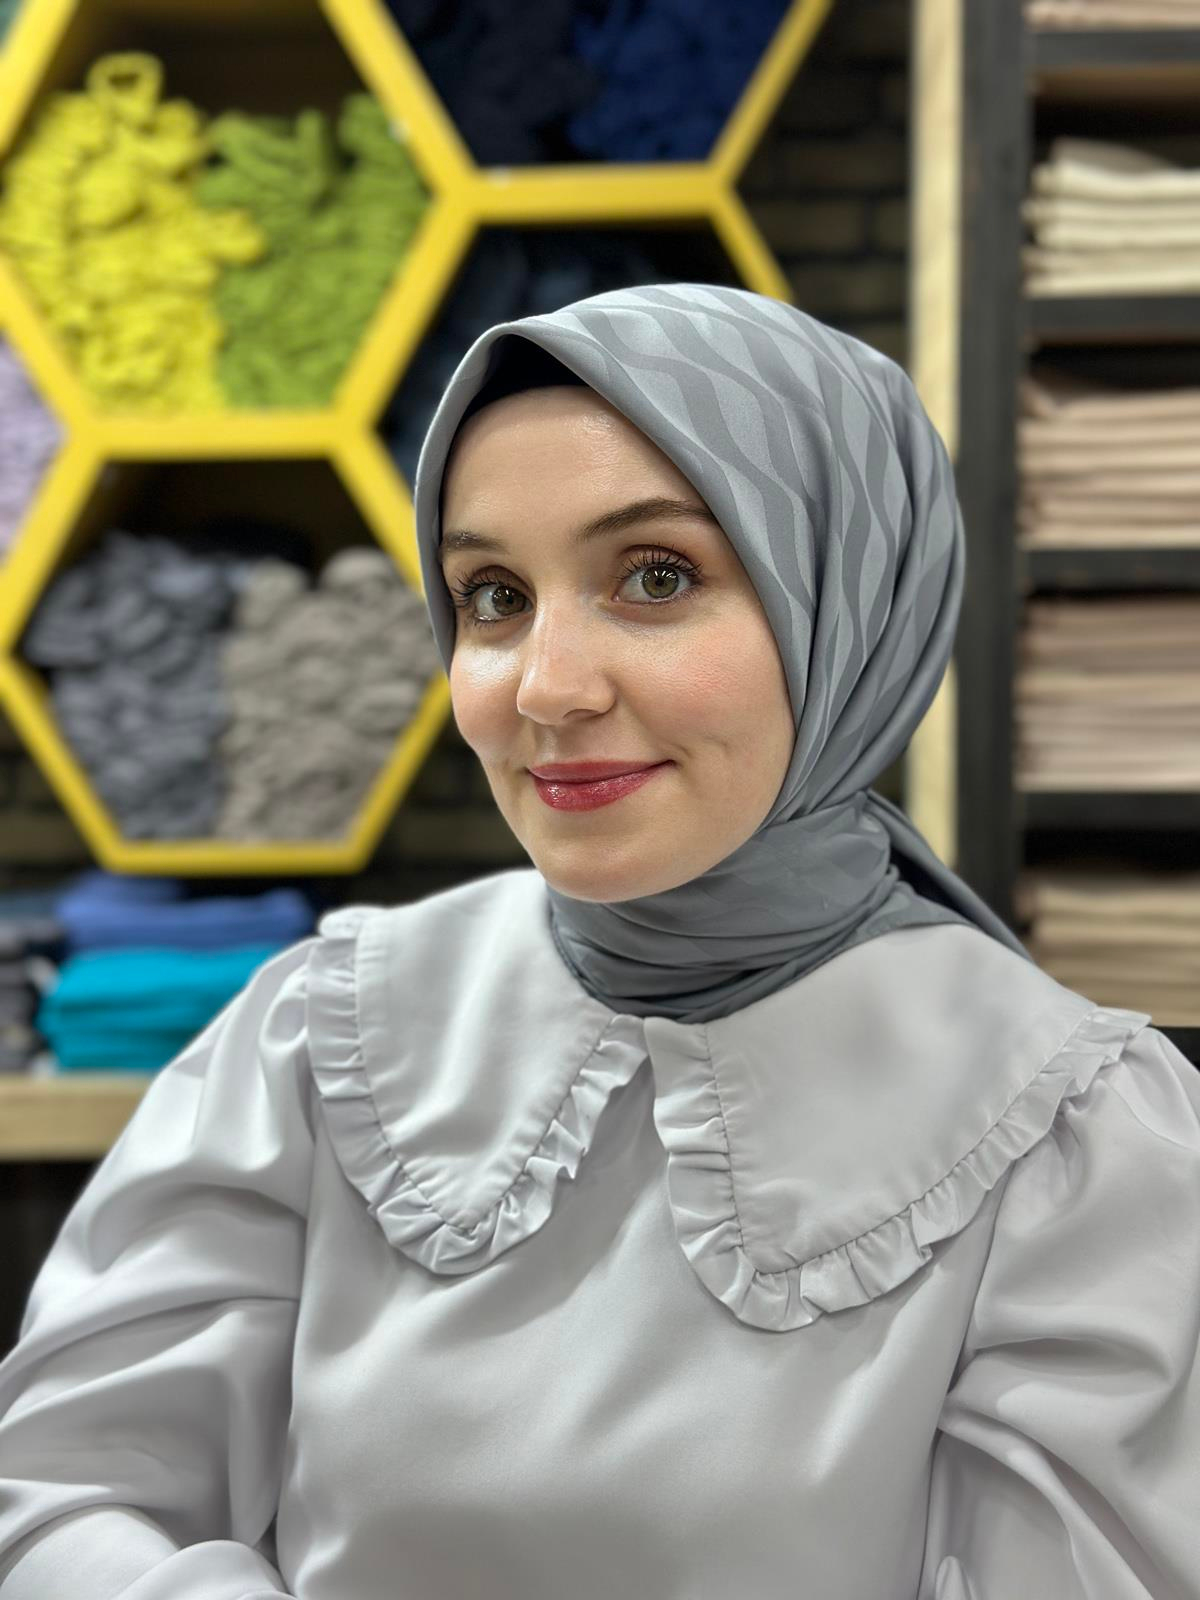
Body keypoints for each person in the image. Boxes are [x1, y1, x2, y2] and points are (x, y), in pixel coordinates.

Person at [0, 282, 1197, 1600]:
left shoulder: (1075, 1135)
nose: (547, 687)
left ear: (850, 603)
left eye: (656, 577)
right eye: (493, 596)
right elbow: (62, 1497)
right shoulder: (319, 1034)